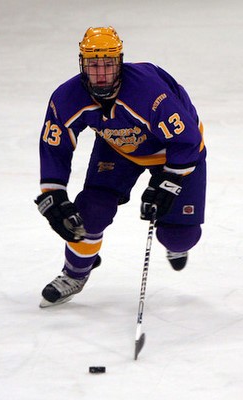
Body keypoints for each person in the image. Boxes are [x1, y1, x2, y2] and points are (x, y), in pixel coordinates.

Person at [35, 26, 207, 308]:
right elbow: (55, 145)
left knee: (178, 237)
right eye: (93, 65)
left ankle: (177, 241)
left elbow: (188, 141)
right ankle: (75, 273)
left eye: (108, 64)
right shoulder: (66, 97)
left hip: (177, 154)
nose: (101, 74)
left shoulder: (149, 92)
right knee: (89, 212)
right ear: (82, 64)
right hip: (119, 149)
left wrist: (170, 182)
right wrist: (53, 192)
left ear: (120, 62)